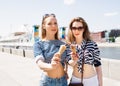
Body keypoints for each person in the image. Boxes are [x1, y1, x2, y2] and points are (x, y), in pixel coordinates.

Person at [33, 13, 68, 86]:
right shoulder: (38, 44)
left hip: (63, 81)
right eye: (49, 24)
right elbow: (40, 64)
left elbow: (68, 61)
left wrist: (73, 60)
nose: (54, 26)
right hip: (48, 82)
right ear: (43, 26)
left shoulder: (63, 44)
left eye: (55, 23)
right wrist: (51, 66)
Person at [67, 17, 103, 86]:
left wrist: (101, 84)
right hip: (76, 81)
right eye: (74, 28)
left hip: (91, 81)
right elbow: (70, 63)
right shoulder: (69, 45)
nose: (76, 30)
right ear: (71, 29)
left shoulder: (92, 44)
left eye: (80, 28)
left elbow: (98, 67)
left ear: (84, 29)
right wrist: (74, 60)